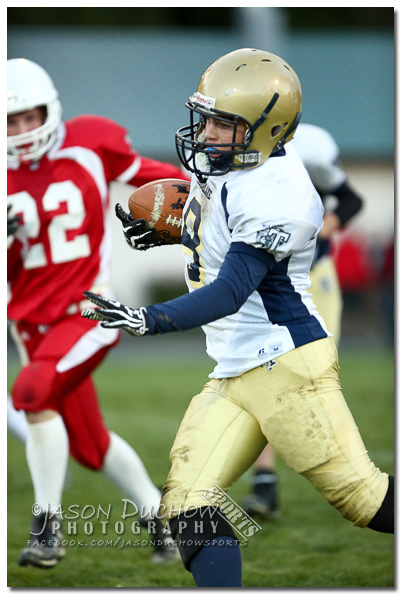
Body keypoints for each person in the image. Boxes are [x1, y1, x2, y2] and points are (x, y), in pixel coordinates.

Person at [81, 48, 394, 588]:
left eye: (225, 125)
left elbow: (231, 290)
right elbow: (222, 236)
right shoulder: (232, 164)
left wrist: (147, 318)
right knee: (185, 504)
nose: (207, 134)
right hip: (235, 368)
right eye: (208, 118)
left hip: (286, 367)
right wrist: (177, 230)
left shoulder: (283, 193)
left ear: (267, 130)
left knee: (364, 500)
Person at [7, 57, 188, 569]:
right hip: (31, 326)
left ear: (51, 111)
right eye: (10, 121)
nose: (21, 131)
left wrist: (199, 203)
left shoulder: (88, 143)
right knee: (90, 445)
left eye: (29, 117)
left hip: (87, 309)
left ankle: (47, 529)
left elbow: (164, 184)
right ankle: (162, 522)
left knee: (30, 391)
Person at [241, 122, 364, 520]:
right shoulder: (248, 156)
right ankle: (265, 483)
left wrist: (327, 224)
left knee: (313, 379)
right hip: (270, 281)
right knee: (265, 375)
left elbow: (350, 200)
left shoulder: (309, 149)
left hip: (313, 277)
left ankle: (356, 479)